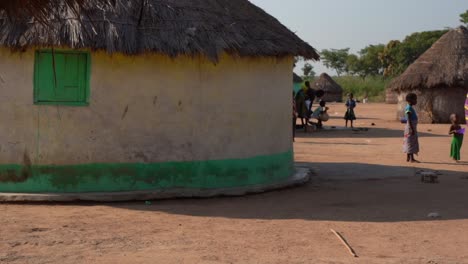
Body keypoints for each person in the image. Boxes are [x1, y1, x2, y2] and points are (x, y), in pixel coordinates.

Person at [403, 93, 420, 163]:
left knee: (409, 142)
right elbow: (409, 119)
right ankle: (411, 159)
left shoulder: (409, 107)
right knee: (411, 142)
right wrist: (412, 129)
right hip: (410, 127)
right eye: (415, 99)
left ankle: (408, 157)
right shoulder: (409, 108)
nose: (416, 101)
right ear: (411, 100)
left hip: (410, 127)